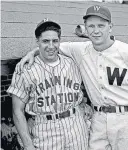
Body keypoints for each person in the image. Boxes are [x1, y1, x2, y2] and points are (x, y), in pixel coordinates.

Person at [16, 5, 128, 150]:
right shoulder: (80, 50)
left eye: (101, 26)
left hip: (127, 118)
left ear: (110, 27)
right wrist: (32, 53)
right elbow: (51, 46)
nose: (96, 31)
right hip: (99, 118)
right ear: (85, 28)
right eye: (91, 26)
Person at [7, 18, 88, 150]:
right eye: (45, 41)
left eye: (55, 41)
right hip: (45, 129)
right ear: (37, 41)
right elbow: (17, 111)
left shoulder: (73, 63)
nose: (51, 46)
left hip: (76, 127)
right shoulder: (25, 69)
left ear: (59, 42)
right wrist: (28, 145)